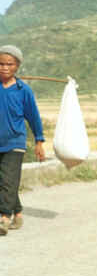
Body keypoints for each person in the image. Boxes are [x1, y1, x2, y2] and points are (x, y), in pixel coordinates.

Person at [0, 45, 45, 235]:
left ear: (17, 66)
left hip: (15, 142)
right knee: (4, 182)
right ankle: (17, 212)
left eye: (9, 64)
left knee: (8, 181)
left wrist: (39, 140)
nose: (4, 68)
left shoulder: (23, 90)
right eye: (1, 64)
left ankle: (3, 218)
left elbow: (33, 117)